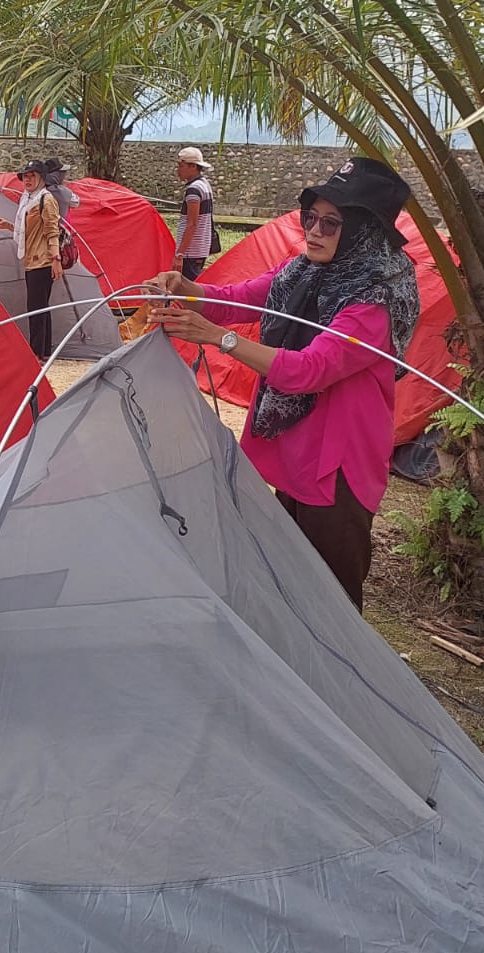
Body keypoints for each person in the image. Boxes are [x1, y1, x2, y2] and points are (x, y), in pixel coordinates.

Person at [147, 157, 419, 612]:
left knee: (332, 590)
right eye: (309, 217)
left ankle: (338, 675)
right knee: (286, 569)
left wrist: (217, 339)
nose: (313, 231)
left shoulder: (377, 301)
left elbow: (308, 369)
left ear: (363, 231)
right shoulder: (305, 271)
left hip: (337, 462)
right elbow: (243, 298)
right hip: (295, 442)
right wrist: (187, 289)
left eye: (331, 223)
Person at [0, 159, 62, 361]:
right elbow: (26, 230)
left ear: (42, 178)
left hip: (42, 260)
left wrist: (56, 258)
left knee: (36, 308)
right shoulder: (28, 199)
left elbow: (52, 230)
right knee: (42, 306)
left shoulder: (46, 199)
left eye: (32, 175)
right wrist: (8, 225)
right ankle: (45, 351)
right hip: (31, 259)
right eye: (25, 175)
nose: (28, 179)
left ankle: (35, 353)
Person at [172, 146, 214, 278]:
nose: (178, 170)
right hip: (199, 249)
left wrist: (180, 254)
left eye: (181, 165)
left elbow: (192, 224)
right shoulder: (204, 184)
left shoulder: (194, 190)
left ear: (193, 167)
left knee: (186, 290)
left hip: (191, 252)